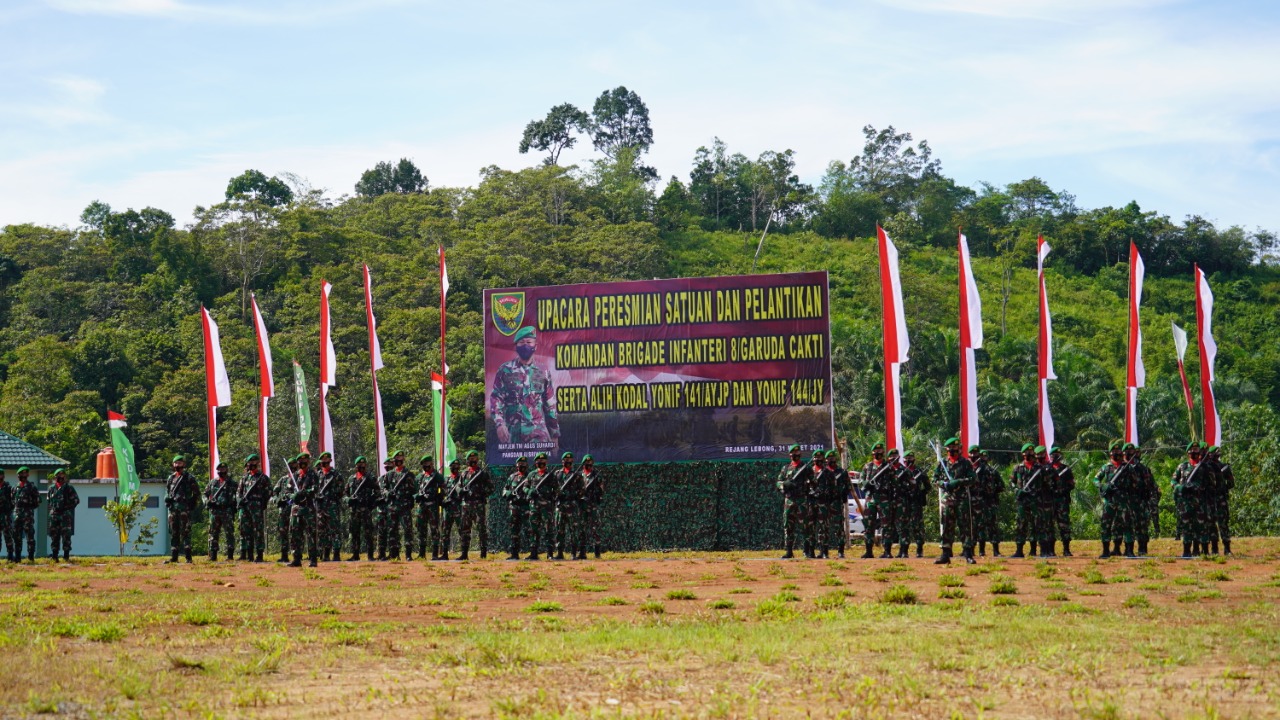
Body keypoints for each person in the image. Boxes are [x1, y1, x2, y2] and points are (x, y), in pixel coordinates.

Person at [489, 326, 560, 445]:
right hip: (512, 435)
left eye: (528, 342)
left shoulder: (543, 371)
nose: (525, 346)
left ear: (535, 346)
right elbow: (496, 398)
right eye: (521, 343)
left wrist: (554, 436)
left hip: (538, 435)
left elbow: (550, 405)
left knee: (540, 463)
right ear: (516, 347)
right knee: (513, 464)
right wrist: (499, 424)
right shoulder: (505, 370)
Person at [934, 437, 976, 565]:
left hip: (962, 498)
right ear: (947, 449)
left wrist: (959, 481)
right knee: (947, 526)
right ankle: (945, 554)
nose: (953, 450)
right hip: (948, 499)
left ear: (959, 449)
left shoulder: (965, 463)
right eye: (950, 448)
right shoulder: (942, 463)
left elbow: (973, 479)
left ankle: (968, 553)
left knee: (965, 526)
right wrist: (944, 484)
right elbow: (935, 479)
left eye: (955, 448)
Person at [1094, 441, 1134, 558]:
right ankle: (1105, 551)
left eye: (1118, 452)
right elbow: (1096, 480)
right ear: (1110, 454)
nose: (1117, 454)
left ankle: (1129, 551)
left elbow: (1135, 482)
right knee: (1106, 525)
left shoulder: (1127, 467)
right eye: (1114, 452)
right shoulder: (1106, 467)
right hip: (1109, 501)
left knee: (1127, 525)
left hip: (1123, 500)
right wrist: (1102, 486)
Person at [859, 442, 898, 559]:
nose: (878, 454)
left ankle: (887, 551)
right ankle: (869, 551)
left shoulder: (888, 467)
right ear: (872, 453)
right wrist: (866, 484)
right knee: (868, 525)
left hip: (884, 499)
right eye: (876, 452)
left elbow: (895, 483)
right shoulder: (867, 466)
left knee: (886, 525)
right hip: (870, 499)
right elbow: (861, 481)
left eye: (880, 452)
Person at [776, 444, 814, 559]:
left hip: (802, 500)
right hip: (789, 501)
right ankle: (789, 551)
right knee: (788, 526)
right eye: (793, 454)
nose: (795, 456)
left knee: (805, 527)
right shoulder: (786, 468)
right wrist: (784, 485)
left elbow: (814, 481)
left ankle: (806, 551)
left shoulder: (806, 467)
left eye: (797, 454)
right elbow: (778, 482)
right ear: (790, 455)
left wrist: (807, 483)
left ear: (800, 455)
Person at [1172, 443, 1209, 558]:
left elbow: (1211, 483)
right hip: (1185, 502)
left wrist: (1198, 487)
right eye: (1192, 450)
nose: (1194, 452)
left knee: (1199, 526)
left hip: (1199, 501)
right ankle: (1186, 550)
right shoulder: (1182, 467)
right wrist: (1180, 487)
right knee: (1186, 526)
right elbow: (1173, 481)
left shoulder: (1204, 467)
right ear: (1188, 452)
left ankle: (1197, 549)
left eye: (1196, 450)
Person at [288, 452, 320, 568]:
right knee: (295, 533)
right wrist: (293, 496)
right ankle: (296, 558)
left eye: (305, 462)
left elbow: (315, 489)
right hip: (296, 509)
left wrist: (304, 492)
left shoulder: (313, 475)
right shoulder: (295, 475)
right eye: (300, 462)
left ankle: (313, 559)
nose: (302, 464)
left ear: (308, 462)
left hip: (308, 508)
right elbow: (288, 490)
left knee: (311, 534)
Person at [384, 451, 418, 560]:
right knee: (392, 530)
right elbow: (383, 488)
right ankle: (395, 554)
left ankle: (408, 554)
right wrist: (388, 493)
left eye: (401, 459)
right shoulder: (389, 475)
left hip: (405, 506)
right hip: (392, 506)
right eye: (397, 459)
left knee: (407, 530)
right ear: (393, 461)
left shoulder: (409, 474)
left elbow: (414, 490)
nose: (399, 461)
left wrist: (410, 499)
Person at [971, 447, 1004, 557]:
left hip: (990, 501)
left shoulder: (990, 471)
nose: (983, 458)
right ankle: (980, 550)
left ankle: (996, 550)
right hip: (976, 502)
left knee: (992, 525)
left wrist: (992, 492)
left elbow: (1001, 486)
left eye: (985, 456)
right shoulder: (971, 470)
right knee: (977, 526)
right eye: (982, 456)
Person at [165, 455, 199, 564]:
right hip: (173, 509)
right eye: (176, 463)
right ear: (173, 465)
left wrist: (191, 503)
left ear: (184, 464)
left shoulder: (189, 477)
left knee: (186, 532)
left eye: (180, 463)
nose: (178, 465)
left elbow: (197, 492)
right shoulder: (171, 478)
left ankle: (188, 557)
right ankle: (174, 557)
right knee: (174, 532)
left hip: (184, 508)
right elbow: (167, 491)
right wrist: (167, 499)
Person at [237, 455, 270, 562]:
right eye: (250, 462)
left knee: (258, 531)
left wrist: (262, 502)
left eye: (254, 462)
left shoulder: (263, 478)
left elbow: (269, 492)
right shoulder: (244, 478)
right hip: (245, 507)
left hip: (256, 508)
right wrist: (239, 500)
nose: (252, 464)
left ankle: (259, 554)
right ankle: (248, 554)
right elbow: (238, 492)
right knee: (245, 530)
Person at [461, 450, 493, 559]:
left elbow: (491, 488)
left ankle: (483, 553)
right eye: (470, 459)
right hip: (466, 505)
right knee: (465, 529)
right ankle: (464, 553)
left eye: (474, 459)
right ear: (467, 461)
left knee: (481, 529)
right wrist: (462, 491)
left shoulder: (483, 473)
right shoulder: (464, 473)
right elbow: (458, 488)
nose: (473, 461)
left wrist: (480, 492)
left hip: (478, 504)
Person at [1126, 443, 1156, 557]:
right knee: (1128, 525)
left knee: (1142, 525)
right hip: (1128, 501)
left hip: (1141, 500)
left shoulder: (1144, 469)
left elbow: (1151, 485)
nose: (1133, 455)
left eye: (1134, 452)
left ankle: (1143, 548)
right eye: (1129, 453)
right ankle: (1128, 549)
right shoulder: (1123, 469)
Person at [346, 456, 378, 561]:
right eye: (359, 466)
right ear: (356, 466)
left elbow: (377, 491)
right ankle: (355, 555)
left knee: (368, 532)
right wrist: (348, 500)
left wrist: (371, 503)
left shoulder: (370, 478)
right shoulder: (351, 478)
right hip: (354, 510)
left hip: (366, 509)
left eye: (363, 466)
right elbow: (345, 494)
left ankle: (370, 555)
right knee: (355, 532)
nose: (362, 468)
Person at [315, 452, 346, 562]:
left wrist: (332, 495)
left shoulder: (336, 475)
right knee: (322, 531)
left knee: (334, 530)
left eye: (327, 462)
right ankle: (325, 554)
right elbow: (314, 489)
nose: (325, 464)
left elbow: (342, 490)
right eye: (323, 462)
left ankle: (336, 553)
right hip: (320, 507)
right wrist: (317, 496)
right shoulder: (318, 475)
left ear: (330, 462)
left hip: (332, 506)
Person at [203, 462, 237, 561]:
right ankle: (213, 556)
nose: (221, 471)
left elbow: (238, 495)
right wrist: (207, 502)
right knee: (213, 533)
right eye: (219, 470)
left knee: (229, 533)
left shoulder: (232, 483)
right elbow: (205, 494)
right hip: (215, 511)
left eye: (223, 469)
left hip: (227, 510)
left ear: (227, 470)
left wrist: (234, 506)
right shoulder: (213, 482)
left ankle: (230, 556)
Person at [526, 453, 557, 560]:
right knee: (533, 530)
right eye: (539, 461)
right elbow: (525, 487)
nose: (541, 463)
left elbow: (557, 490)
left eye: (543, 461)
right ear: (536, 463)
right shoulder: (531, 475)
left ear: (546, 462)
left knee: (548, 529)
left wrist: (550, 498)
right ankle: (533, 553)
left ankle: (550, 553)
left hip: (546, 507)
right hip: (534, 507)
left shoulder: (551, 475)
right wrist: (530, 491)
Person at [415, 455, 446, 561]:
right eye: (424, 465)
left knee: (434, 530)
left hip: (433, 505)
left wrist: (439, 496)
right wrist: (417, 496)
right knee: (421, 530)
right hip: (422, 506)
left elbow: (443, 489)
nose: (426, 466)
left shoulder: (437, 476)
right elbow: (414, 490)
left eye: (428, 464)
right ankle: (421, 553)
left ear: (432, 463)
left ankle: (434, 554)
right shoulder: (419, 477)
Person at [551, 452, 581, 561]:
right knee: (559, 530)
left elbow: (582, 490)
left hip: (572, 506)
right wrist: (557, 495)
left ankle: (573, 553)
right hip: (560, 507)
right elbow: (552, 489)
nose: (568, 463)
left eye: (569, 461)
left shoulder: (577, 475)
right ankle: (559, 553)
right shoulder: (557, 474)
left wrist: (573, 495)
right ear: (562, 462)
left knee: (573, 530)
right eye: (565, 461)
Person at [900, 451, 929, 558]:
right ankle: (904, 550)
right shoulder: (901, 472)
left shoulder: (919, 472)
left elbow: (928, 486)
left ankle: (919, 549)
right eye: (907, 458)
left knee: (917, 526)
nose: (909, 460)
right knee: (904, 526)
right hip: (904, 502)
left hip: (916, 502)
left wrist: (921, 493)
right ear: (903, 460)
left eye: (911, 457)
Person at [1205, 446, 1233, 555]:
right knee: (1212, 524)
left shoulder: (1224, 467)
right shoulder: (1207, 468)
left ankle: (1226, 547)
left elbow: (1231, 483)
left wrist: (1223, 487)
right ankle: (1214, 548)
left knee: (1223, 523)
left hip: (1220, 498)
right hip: (1210, 499)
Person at [46, 469, 79, 562]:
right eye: (59, 475)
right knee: (54, 536)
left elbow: (76, 500)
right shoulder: (51, 488)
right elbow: (49, 501)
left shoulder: (69, 488)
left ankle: (66, 556)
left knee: (66, 536)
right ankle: (55, 556)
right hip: (54, 516)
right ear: (55, 477)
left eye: (62, 475)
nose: (61, 477)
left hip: (65, 515)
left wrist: (67, 508)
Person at [1047, 446, 1074, 556]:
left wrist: (1062, 490)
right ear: (1051, 456)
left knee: (1064, 525)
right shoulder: (1047, 469)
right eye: (1054, 455)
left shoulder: (1065, 469)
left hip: (1062, 501)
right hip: (1049, 501)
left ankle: (1066, 549)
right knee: (1049, 525)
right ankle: (1051, 550)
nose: (1056, 457)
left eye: (1058, 455)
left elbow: (1072, 484)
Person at [503, 456, 532, 560]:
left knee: (530, 530)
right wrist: (508, 493)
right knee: (514, 531)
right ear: (516, 466)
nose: (522, 467)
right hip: (514, 507)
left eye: (524, 465)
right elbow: (505, 489)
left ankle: (533, 553)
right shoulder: (512, 477)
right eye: (520, 465)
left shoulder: (530, 476)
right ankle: (514, 553)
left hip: (526, 506)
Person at [823, 450, 850, 559]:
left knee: (839, 528)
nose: (831, 460)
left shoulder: (842, 472)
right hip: (825, 503)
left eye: (833, 458)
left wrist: (843, 493)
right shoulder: (823, 472)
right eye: (829, 459)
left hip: (837, 503)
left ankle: (841, 551)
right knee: (824, 528)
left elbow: (847, 486)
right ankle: (824, 552)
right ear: (826, 460)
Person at [272, 456, 298, 563]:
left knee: (295, 532)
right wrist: (277, 500)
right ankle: (284, 555)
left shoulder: (298, 479)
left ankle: (297, 554)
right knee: (283, 532)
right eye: (290, 465)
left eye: (294, 465)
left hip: (294, 509)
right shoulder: (283, 480)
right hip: (283, 510)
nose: (292, 467)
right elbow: (274, 492)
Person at [440, 459, 466, 560]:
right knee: (445, 532)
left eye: (456, 467)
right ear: (450, 468)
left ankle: (464, 553)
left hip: (459, 509)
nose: (455, 468)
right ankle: (445, 554)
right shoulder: (446, 479)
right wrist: (442, 500)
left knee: (462, 531)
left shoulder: (462, 478)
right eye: (453, 467)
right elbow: (442, 493)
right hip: (448, 509)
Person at [580, 454, 605, 559]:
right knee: (582, 528)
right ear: (583, 465)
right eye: (587, 464)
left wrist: (596, 492)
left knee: (595, 529)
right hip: (582, 506)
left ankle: (597, 552)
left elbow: (602, 490)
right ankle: (582, 553)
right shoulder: (579, 476)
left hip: (593, 505)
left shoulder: (596, 476)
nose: (589, 466)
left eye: (590, 464)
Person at [13, 468, 39, 563]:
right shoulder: (15, 487)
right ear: (18, 475)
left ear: (27, 475)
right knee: (17, 536)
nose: (23, 476)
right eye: (21, 474)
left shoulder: (31, 487)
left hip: (28, 515)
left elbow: (38, 500)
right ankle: (17, 557)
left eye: (25, 474)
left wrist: (29, 508)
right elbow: (13, 500)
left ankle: (31, 557)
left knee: (30, 536)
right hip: (17, 515)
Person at [374, 458, 394, 560]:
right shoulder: (380, 479)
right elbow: (376, 493)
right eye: (387, 467)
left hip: (392, 508)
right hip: (381, 509)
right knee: (381, 532)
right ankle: (381, 553)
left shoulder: (396, 478)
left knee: (392, 531)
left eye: (390, 466)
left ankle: (392, 553)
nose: (388, 468)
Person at [0, 468, 15, 563]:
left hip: (6, 515)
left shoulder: (8, 487)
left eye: (0, 475)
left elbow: (13, 501)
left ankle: (10, 556)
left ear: (3, 476)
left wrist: (9, 510)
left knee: (8, 536)